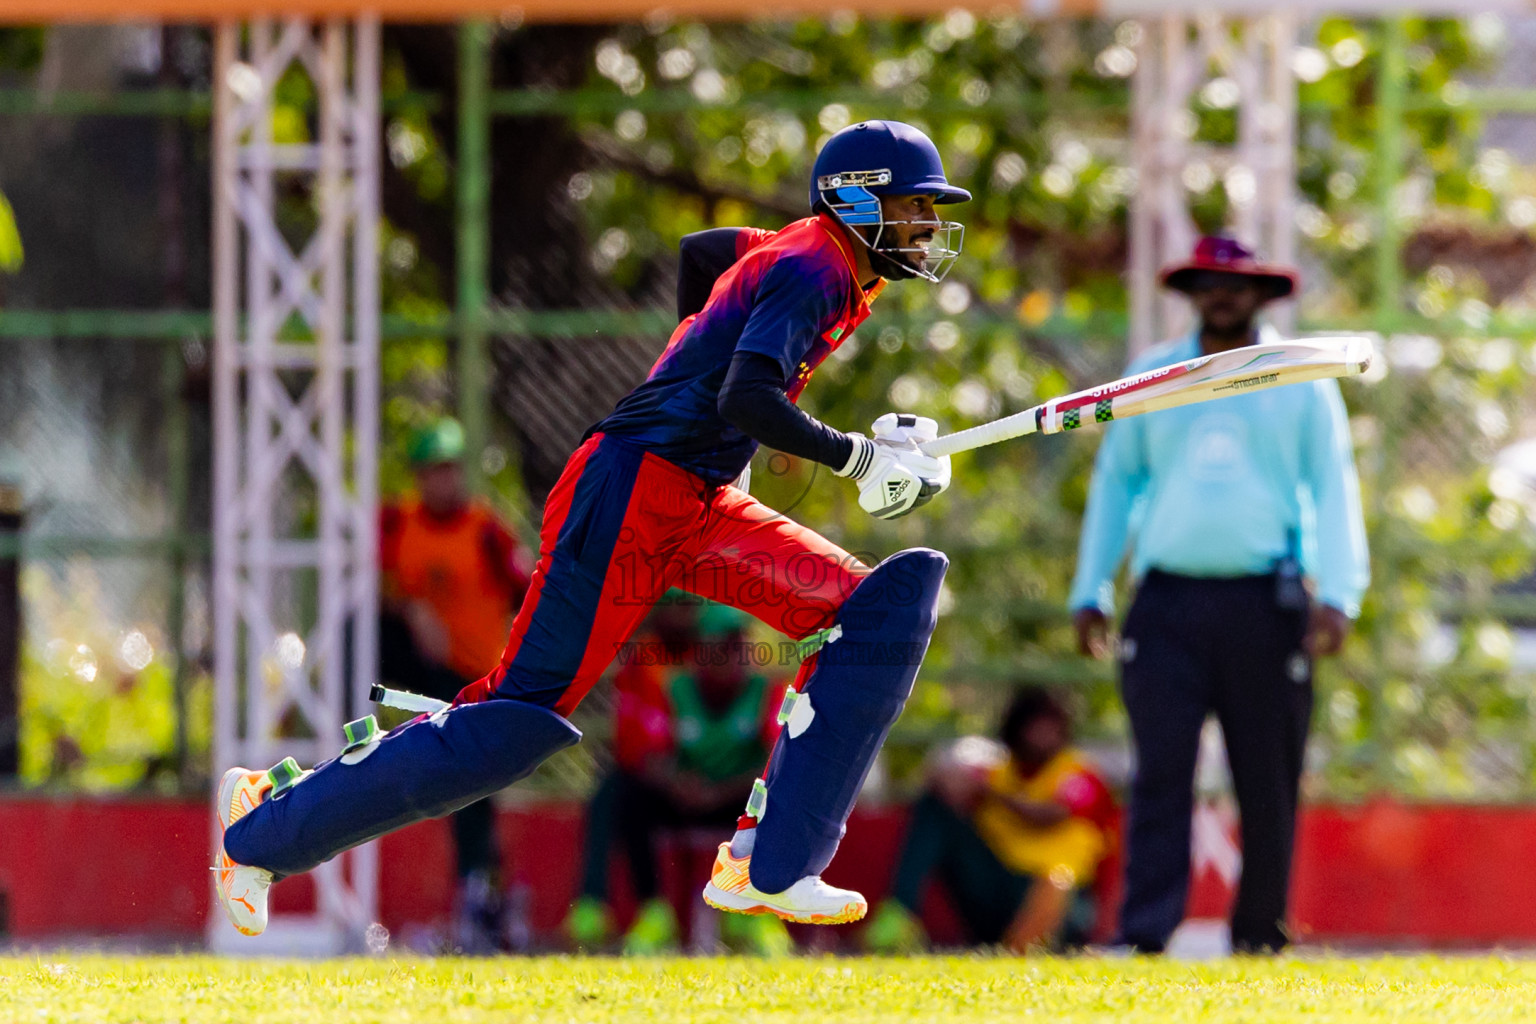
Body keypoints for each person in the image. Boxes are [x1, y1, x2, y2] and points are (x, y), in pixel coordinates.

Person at [212, 119, 969, 937]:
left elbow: (706, 255)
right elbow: (746, 399)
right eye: (915, 208)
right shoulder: (817, 265)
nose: (927, 228)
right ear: (854, 199)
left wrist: (709, 410)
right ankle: (262, 827)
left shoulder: (808, 249)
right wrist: (856, 457)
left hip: (695, 494)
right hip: (629, 496)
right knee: (508, 726)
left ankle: (771, 863)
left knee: (876, 611)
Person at [1068, 236, 1370, 954]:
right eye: (1207, 282)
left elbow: (1332, 484)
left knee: (1268, 778)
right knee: (1160, 772)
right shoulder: (1151, 376)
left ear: (1263, 294)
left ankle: (1260, 934)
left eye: (1236, 283)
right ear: (1191, 292)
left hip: (1266, 604)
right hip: (1167, 602)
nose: (1222, 295)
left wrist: (1342, 591)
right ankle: (1145, 934)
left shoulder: (1299, 379)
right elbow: (1117, 485)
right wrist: (1092, 588)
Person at [378, 418, 531, 951]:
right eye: (433, 471)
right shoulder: (398, 522)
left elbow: (526, 591)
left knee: (471, 792)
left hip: (474, 680)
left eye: (451, 469)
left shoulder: (486, 530)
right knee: (368, 631)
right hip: (426, 671)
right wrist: (412, 609)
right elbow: (365, 581)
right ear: (420, 476)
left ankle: (481, 895)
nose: (443, 481)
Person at [567, 601, 791, 955]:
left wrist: (720, 792)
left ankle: (757, 910)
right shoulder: (675, 688)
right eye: (724, 646)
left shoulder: (768, 691)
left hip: (736, 802)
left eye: (740, 644)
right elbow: (651, 755)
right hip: (686, 797)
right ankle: (654, 912)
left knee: (780, 798)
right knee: (628, 792)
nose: (735, 655)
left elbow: (777, 762)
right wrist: (679, 784)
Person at [864, 686, 1115, 953]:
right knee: (934, 809)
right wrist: (948, 780)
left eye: (1051, 729)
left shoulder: (1079, 771)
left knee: (1054, 886)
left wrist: (992, 794)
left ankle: (1031, 942)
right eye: (1036, 729)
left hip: (1057, 899)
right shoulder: (1000, 771)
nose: (1044, 738)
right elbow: (945, 784)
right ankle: (899, 914)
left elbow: (1048, 815)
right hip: (997, 888)